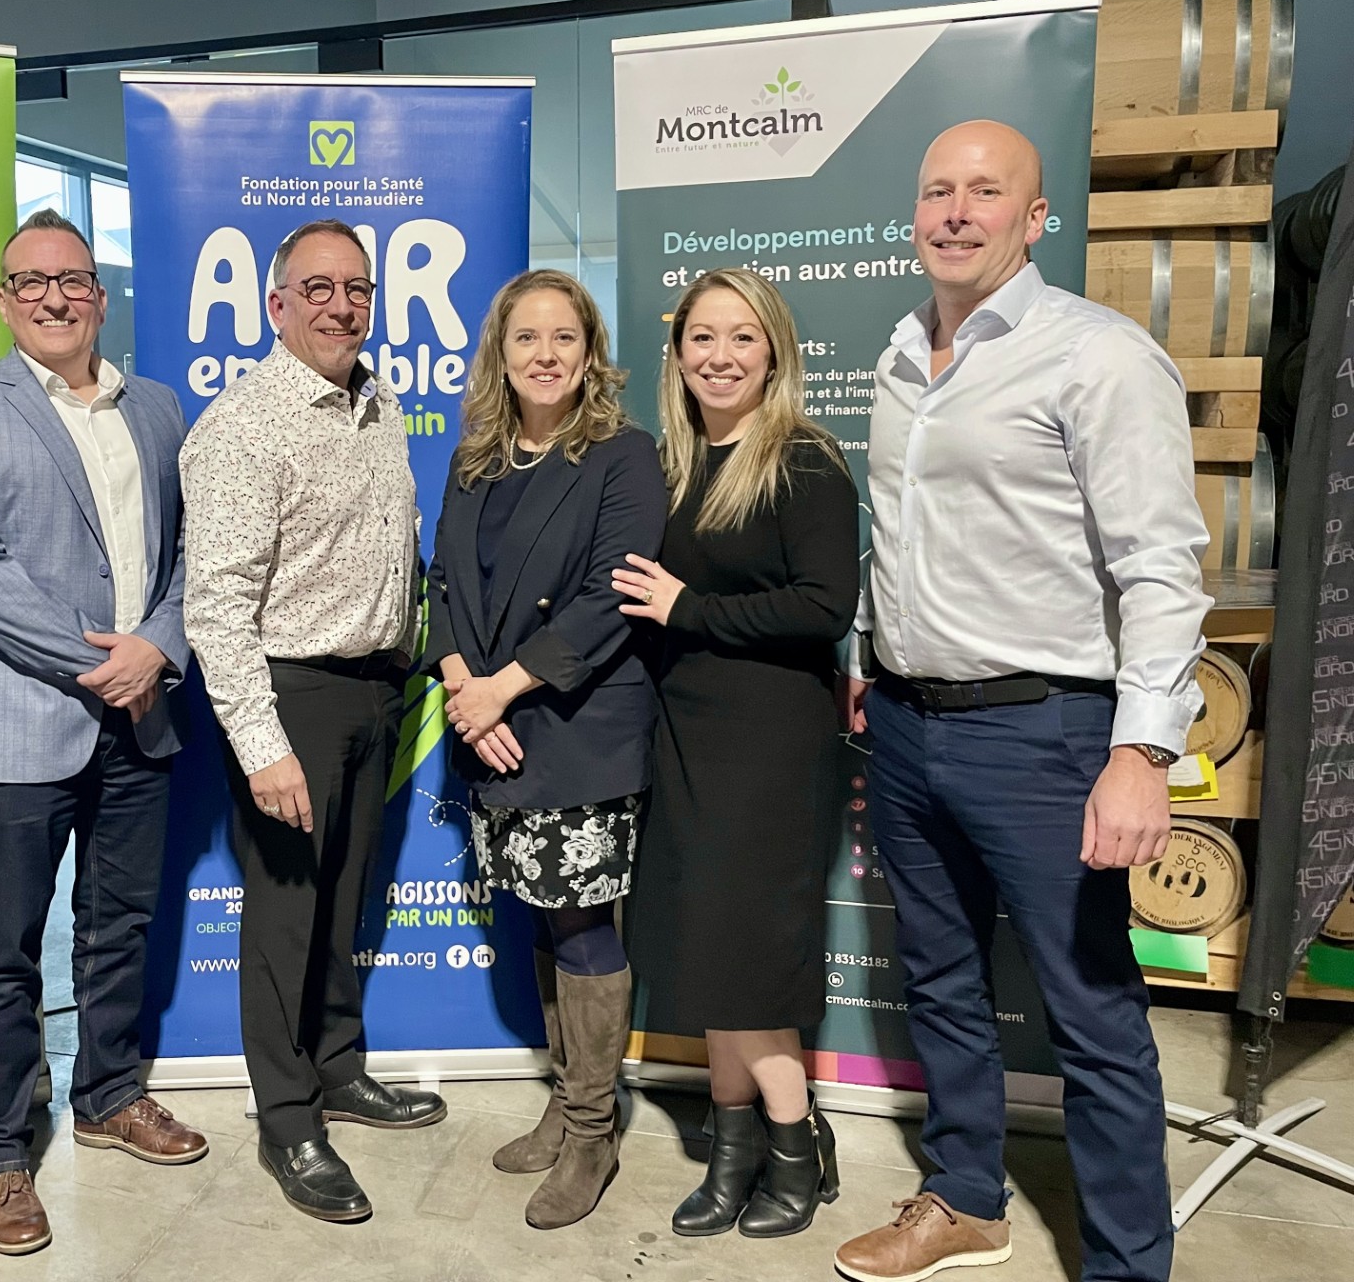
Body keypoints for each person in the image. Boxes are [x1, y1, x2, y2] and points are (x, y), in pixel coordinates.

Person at [832, 121, 1210, 1282]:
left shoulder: (1097, 356)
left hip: (1046, 734)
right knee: (941, 981)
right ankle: (965, 1199)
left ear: (1035, 219)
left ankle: (1126, 1264)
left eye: (984, 192)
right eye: (937, 189)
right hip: (904, 725)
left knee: (1091, 1016)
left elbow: (1161, 564)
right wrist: (865, 651)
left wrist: (1143, 750)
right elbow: (897, 533)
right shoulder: (901, 354)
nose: (955, 210)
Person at [0, 209, 203, 1258]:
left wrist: (156, 648)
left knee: (121, 925)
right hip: (22, 726)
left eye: (71, 279)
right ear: (4, 299)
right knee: (5, 950)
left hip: (144, 716)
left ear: (99, 294)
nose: (52, 297)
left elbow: (190, 560)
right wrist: (104, 658)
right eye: (29, 281)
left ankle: (109, 1095)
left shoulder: (159, 408)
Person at [180, 217, 445, 1224]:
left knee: (342, 910)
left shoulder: (378, 405)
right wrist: (263, 745)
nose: (342, 306)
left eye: (358, 289)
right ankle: (288, 1116)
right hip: (292, 696)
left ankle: (337, 1068)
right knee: (285, 922)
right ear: (276, 305)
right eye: (319, 289)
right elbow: (217, 606)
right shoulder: (243, 426)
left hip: (376, 693)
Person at [616, 268, 860, 1241]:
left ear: (776, 354)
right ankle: (733, 1154)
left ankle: (791, 1151)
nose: (721, 356)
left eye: (743, 339)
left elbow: (823, 607)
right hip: (682, 737)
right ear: (677, 356)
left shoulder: (804, 460)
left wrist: (693, 609)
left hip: (770, 747)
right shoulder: (670, 468)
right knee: (709, 956)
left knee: (750, 961)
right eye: (703, 339)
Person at [421, 270, 666, 1228]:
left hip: (575, 724)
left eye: (565, 337)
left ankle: (594, 1128)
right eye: (528, 338)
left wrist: (501, 691)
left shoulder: (623, 455)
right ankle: (566, 1110)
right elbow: (441, 575)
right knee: (535, 916)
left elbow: (615, 598)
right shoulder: (477, 457)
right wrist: (455, 681)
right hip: (488, 725)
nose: (547, 355)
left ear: (590, 350)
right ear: (501, 353)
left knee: (585, 928)